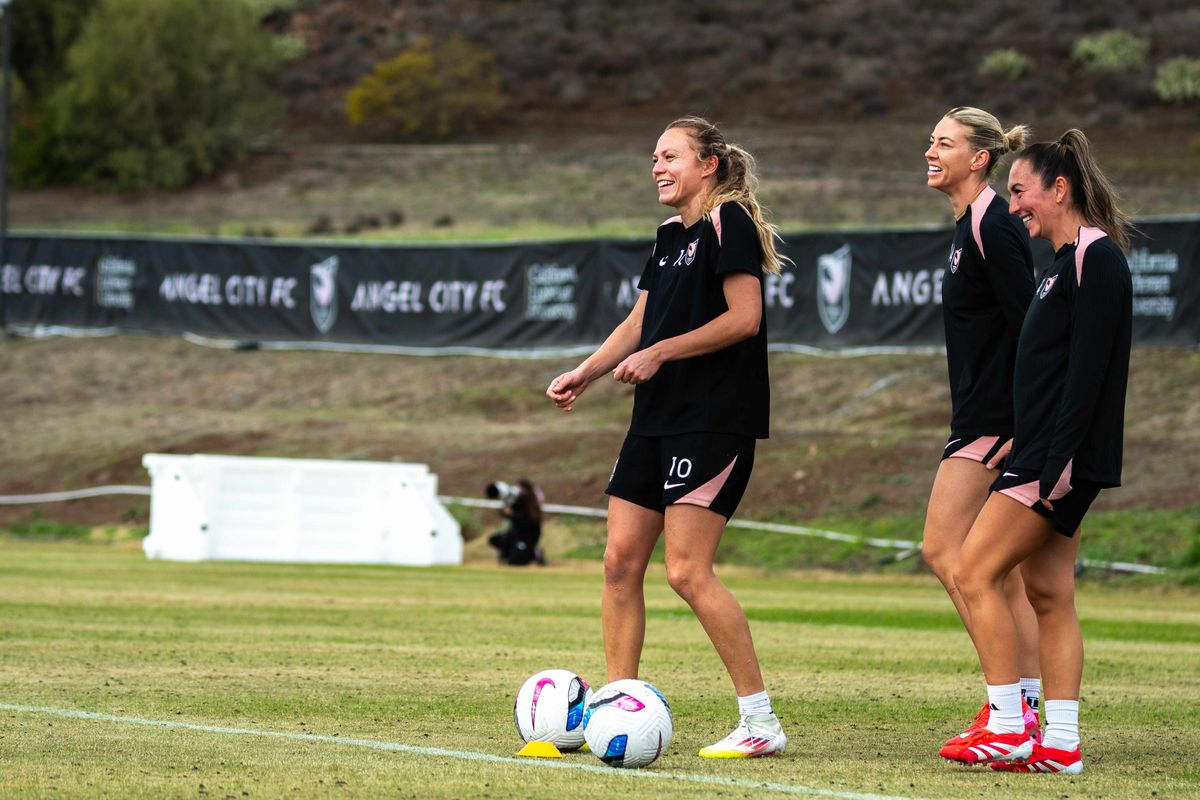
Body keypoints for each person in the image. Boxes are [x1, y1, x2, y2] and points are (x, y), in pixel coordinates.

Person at [546, 116, 789, 758]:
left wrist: (662, 355)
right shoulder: (668, 235)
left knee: (685, 570)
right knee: (619, 562)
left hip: (712, 420)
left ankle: (760, 723)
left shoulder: (727, 222)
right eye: (654, 156)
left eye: (671, 155)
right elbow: (641, 319)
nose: (657, 166)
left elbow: (745, 319)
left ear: (708, 164)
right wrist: (586, 373)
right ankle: (616, 706)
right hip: (654, 419)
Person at [939, 129, 1134, 774]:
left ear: (1060, 188)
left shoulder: (1096, 257)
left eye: (1022, 192)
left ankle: (1007, 725)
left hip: (1055, 459)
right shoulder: (1061, 262)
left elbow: (1091, 373)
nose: (1014, 204)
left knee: (974, 572)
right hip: (1048, 451)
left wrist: (1057, 462)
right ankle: (1061, 742)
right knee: (1048, 593)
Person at [921, 107, 1043, 749]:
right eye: (930, 142)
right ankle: (1018, 704)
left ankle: (1008, 711)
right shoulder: (968, 223)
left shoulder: (994, 223)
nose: (930, 152)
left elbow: (1032, 325)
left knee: (945, 551)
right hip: (980, 414)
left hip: (997, 420)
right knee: (1001, 576)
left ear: (980, 158)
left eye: (944, 143)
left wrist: (1027, 422)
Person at [486, 479, 545, 566]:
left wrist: (512, 514)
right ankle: (510, 553)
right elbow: (503, 514)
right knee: (495, 539)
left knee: (514, 562)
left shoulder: (531, 506)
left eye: (521, 489)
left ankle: (534, 554)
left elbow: (527, 523)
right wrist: (507, 509)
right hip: (515, 534)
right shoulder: (515, 502)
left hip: (527, 537)